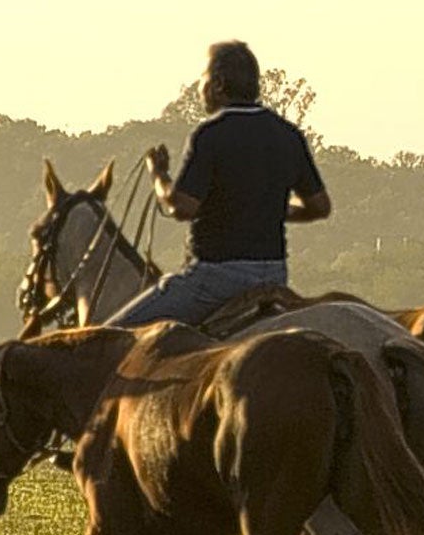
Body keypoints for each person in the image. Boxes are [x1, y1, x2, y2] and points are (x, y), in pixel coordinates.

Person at [104, 40, 332, 327]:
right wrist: (266, 208)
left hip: (214, 281)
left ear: (219, 85)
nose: (199, 88)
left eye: (203, 79)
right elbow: (319, 206)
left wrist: (159, 176)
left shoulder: (210, 135)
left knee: (111, 337)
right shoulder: (288, 135)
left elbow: (183, 208)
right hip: (274, 276)